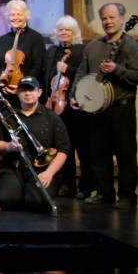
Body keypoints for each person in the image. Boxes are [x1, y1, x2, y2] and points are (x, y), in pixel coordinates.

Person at [70, 3, 138, 208]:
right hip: (96, 110)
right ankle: (104, 192)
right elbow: (81, 72)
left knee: (125, 154)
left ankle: (128, 196)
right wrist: (74, 95)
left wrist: (116, 69)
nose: (108, 22)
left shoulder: (130, 46)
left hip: (121, 108)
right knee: (98, 154)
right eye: (104, 18)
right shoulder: (93, 46)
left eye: (112, 17)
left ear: (122, 19)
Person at [0, 76, 69, 213]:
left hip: (42, 170)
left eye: (31, 90)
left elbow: (63, 150)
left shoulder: (51, 117)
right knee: (5, 200)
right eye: (23, 90)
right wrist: (9, 147)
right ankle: (21, 191)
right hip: (14, 168)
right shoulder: (8, 114)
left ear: (39, 92)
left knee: (36, 202)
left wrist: (49, 173)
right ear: (18, 93)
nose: (27, 93)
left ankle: (30, 193)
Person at [43, 15, 89, 198]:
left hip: (75, 107)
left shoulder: (81, 51)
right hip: (56, 104)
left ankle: (85, 186)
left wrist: (67, 69)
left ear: (74, 32)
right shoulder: (52, 51)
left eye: (67, 30)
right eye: (60, 29)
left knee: (82, 147)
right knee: (63, 146)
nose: (63, 33)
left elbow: (85, 75)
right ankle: (67, 184)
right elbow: (46, 74)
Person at [0, 0, 46, 93]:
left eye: (19, 14)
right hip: (2, 89)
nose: (15, 17)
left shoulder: (36, 38)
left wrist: (22, 86)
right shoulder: (2, 39)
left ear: (26, 16)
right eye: (12, 15)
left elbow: (37, 67)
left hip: (26, 91)